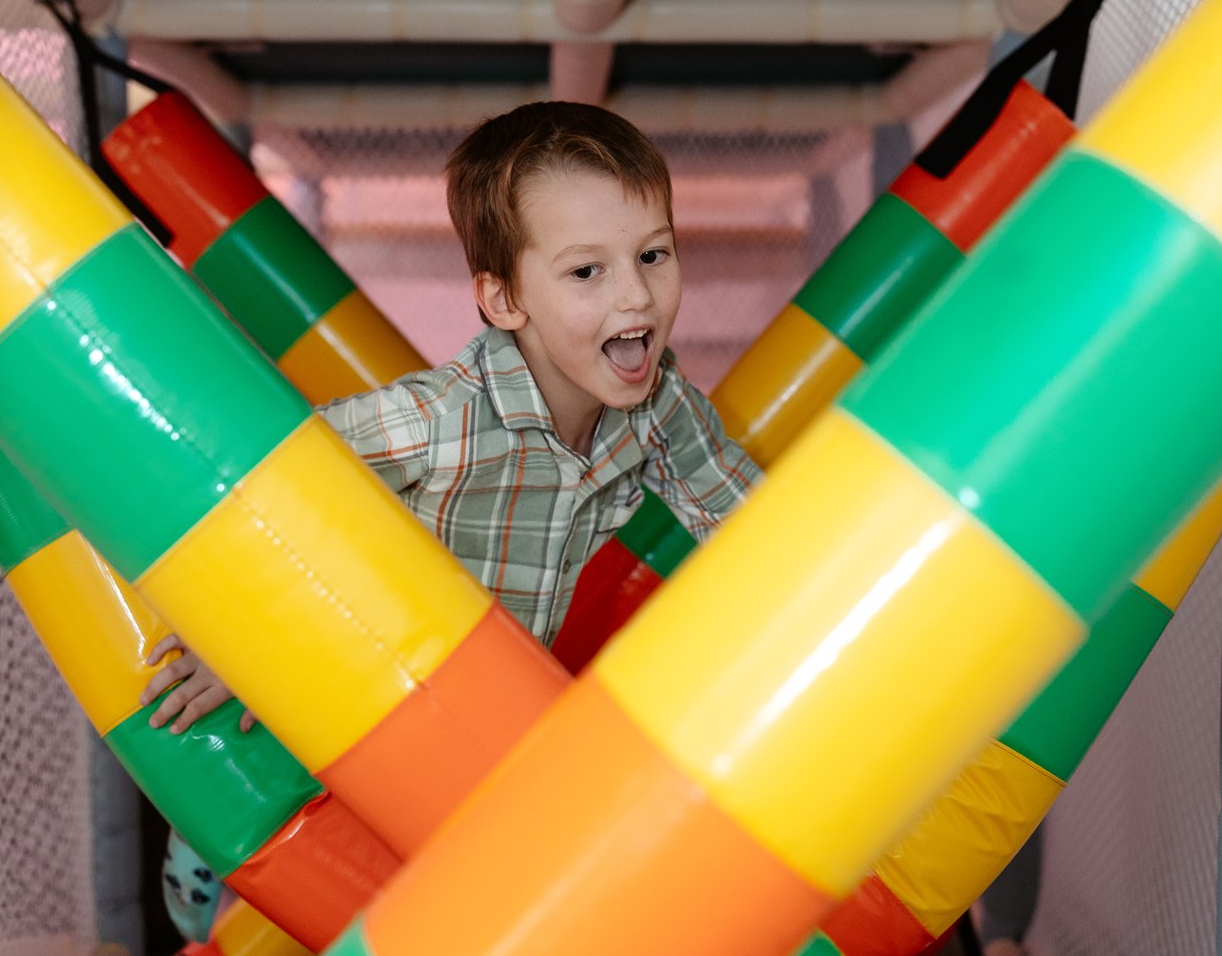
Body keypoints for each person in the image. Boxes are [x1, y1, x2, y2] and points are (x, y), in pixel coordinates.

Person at [140, 101, 760, 766]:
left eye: (652, 254)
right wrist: (235, 634)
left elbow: (754, 531)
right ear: (503, 300)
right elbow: (254, 482)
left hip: (478, 723)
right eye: (587, 271)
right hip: (344, 703)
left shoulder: (658, 406)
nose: (636, 295)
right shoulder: (439, 422)